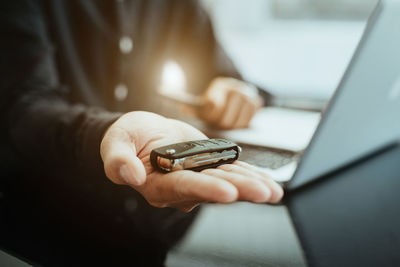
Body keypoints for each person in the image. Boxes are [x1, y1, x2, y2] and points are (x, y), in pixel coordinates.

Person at [0, 1, 283, 265]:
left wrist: (236, 93)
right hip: (48, 226)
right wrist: (104, 132)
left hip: (158, 230)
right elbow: (22, 107)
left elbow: (228, 77)